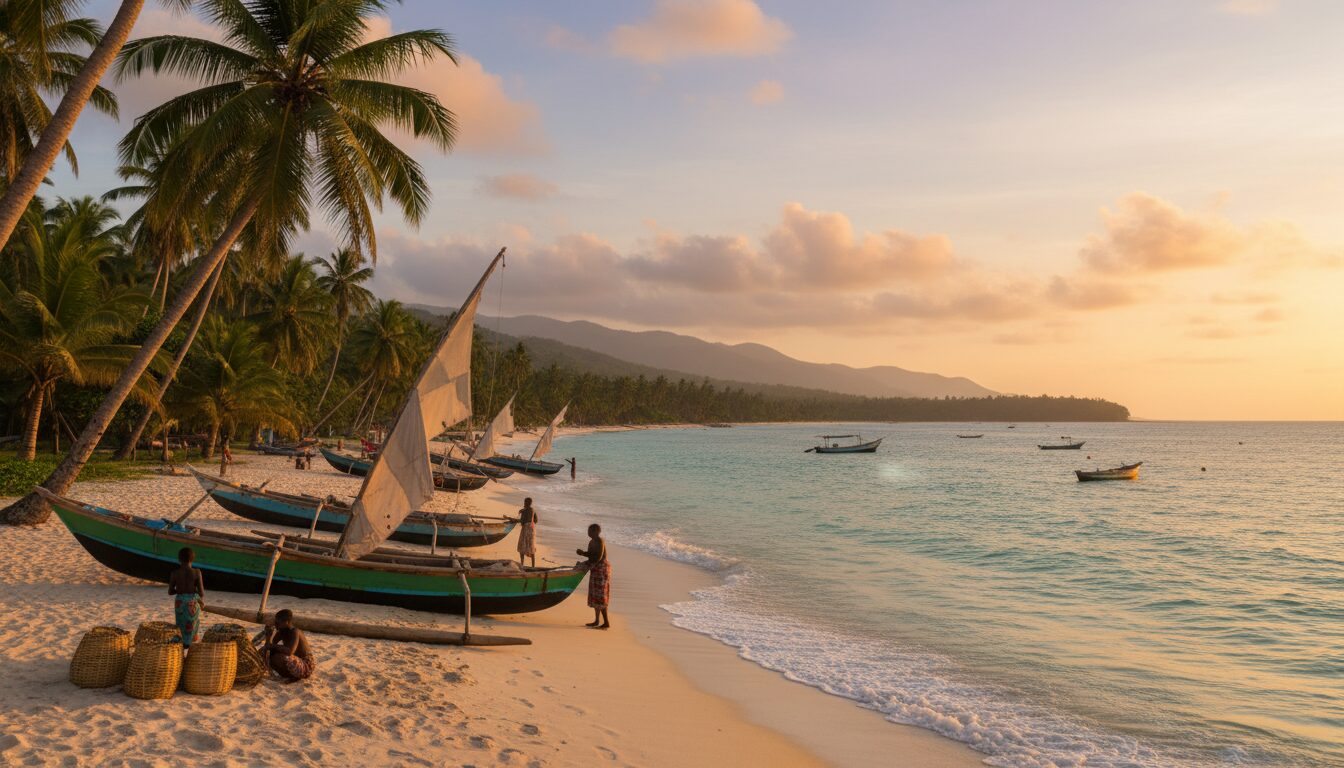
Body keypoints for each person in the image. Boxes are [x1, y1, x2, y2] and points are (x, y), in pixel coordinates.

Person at [262, 609, 315, 682]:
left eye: (278, 622)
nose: (276, 624)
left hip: (306, 666)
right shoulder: (282, 630)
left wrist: (271, 646)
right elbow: (270, 646)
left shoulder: (294, 631)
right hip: (296, 663)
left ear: (286, 622)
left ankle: (294, 676)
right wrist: (268, 635)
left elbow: (290, 651)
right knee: (266, 651)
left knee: (278, 657)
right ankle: (290, 675)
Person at [168, 547, 205, 648]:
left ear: (179, 559)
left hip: (180, 602)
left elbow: (170, 592)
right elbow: (201, 593)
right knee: (192, 624)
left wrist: (180, 591)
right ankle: (190, 642)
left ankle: (182, 643)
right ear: (192, 559)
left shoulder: (175, 573)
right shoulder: (197, 572)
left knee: (180, 624)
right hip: (192, 603)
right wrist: (194, 593)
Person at [576, 524, 610, 629]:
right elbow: (591, 555)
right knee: (595, 595)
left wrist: (583, 556)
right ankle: (596, 620)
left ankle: (606, 622)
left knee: (601, 595)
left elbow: (598, 557)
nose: (588, 532)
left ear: (596, 532)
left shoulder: (600, 541)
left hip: (601, 569)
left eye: (590, 531)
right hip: (595, 568)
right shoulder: (591, 541)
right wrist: (583, 557)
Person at [517, 498, 538, 567]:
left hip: (526, 529)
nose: (524, 503)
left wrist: (512, 520)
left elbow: (522, 521)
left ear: (526, 503)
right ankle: (533, 566)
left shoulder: (524, 511)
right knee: (531, 547)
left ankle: (522, 564)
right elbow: (536, 520)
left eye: (525, 502)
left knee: (522, 546)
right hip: (532, 529)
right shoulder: (533, 510)